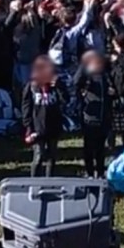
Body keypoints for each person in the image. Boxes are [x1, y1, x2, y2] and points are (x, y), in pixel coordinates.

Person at [21, 56, 66, 177]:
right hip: (38, 126)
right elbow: (26, 106)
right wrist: (28, 126)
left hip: (53, 125)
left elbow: (65, 100)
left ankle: (49, 181)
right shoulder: (32, 86)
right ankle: (34, 182)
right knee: (39, 156)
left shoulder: (55, 85)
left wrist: (59, 86)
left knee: (51, 157)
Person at [73, 50, 114, 178]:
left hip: (104, 116)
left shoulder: (106, 74)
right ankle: (90, 172)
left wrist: (112, 92)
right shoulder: (87, 74)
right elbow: (75, 83)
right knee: (89, 147)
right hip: (89, 117)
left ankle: (100, 172)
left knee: (101, 148)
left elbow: (114, 87)